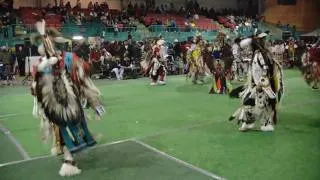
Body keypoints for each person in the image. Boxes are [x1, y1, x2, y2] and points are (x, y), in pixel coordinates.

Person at [31, 20, 105, 176]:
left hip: (71, 105)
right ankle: (66, 153)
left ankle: (69, 160)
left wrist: (94, 103)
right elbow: (37, 88)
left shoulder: (69, 59)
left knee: (69, 129)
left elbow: (85, 82)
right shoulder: (42, 64)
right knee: (59, 129)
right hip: (54, 106)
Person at [229, 31, 284, 132]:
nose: (249, 48)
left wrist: (260, 83)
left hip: (262, 85)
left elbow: (265, 69)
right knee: (248, 103)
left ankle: (265, 124)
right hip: (254, 85)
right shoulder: (256, 53)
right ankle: (248, 122)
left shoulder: (261, 54)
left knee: (263, 106)